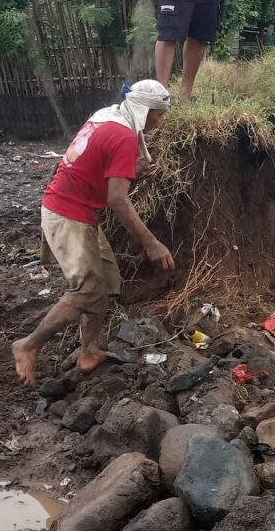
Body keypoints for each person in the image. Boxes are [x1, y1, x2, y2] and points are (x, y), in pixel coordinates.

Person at [13, 80, 177, 387]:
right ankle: (29, 344)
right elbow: (117, 199)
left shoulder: (107, 116)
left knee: (105, 279)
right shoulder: (124, 137)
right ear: (146, 111)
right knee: (87, 288)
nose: (160, 121)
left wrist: (132, 174)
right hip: (67, 213)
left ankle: (88, 350)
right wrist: (151, 243)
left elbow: (95, 169)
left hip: (76, 208)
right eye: (159, 114)